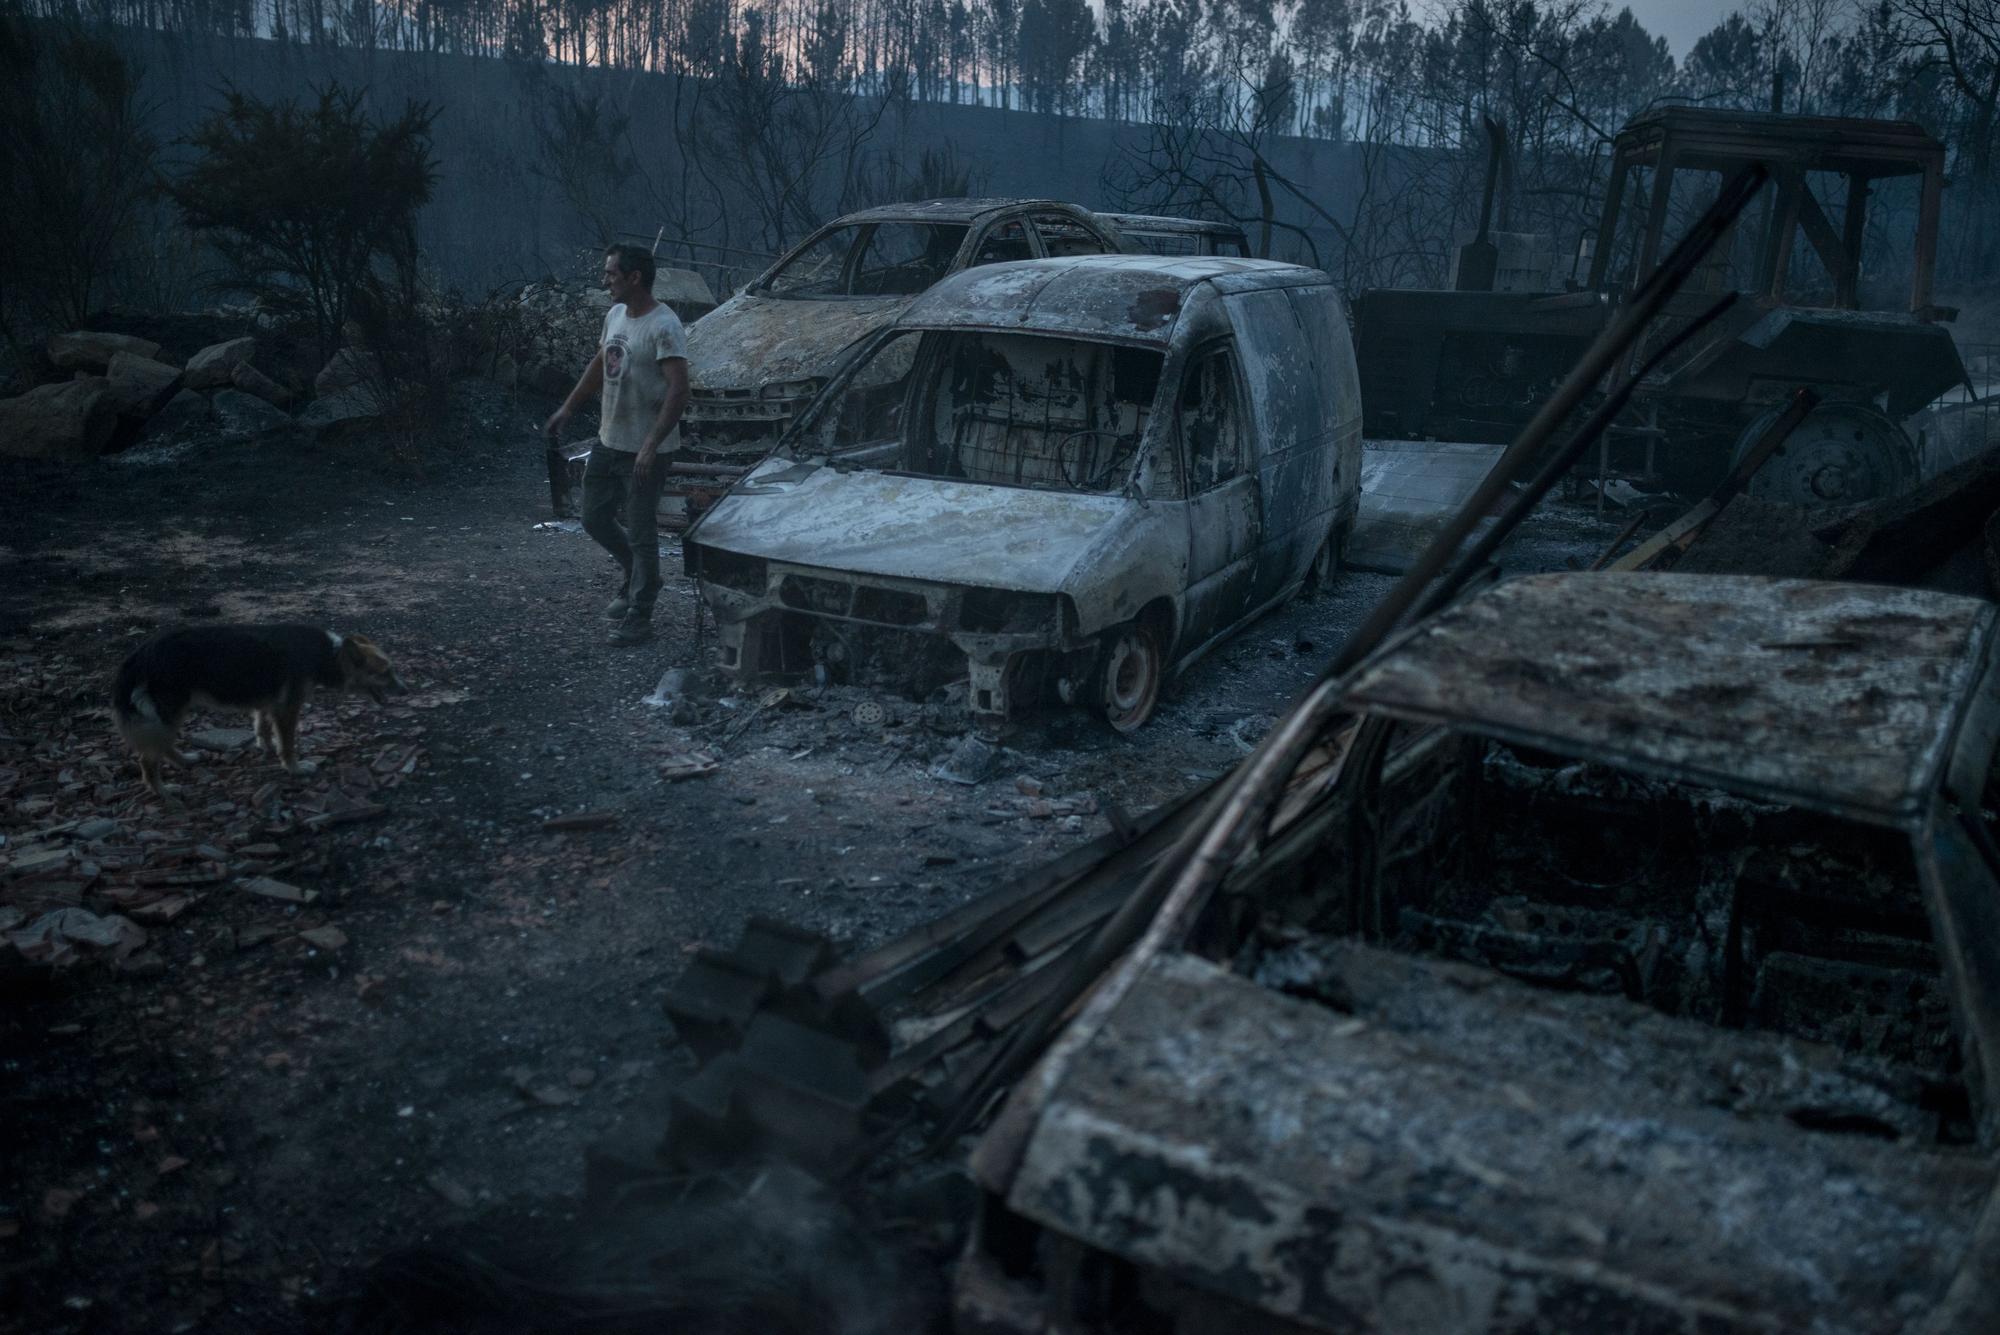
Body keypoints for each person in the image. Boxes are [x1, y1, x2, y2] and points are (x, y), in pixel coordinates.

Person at [545, 245, 690, 646]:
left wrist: (651, 444)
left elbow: (679, 390)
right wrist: (568, 408)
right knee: (593, 517)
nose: (605, 280)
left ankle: (640, 614)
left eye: (611, 274)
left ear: (634, 278)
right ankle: (636, 573)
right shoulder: (615, 315)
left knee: (642, 532)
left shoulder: (665, 325)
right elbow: (600, 365)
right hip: (610, 441)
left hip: (647, 450)